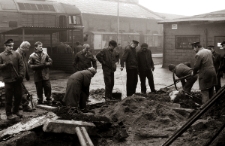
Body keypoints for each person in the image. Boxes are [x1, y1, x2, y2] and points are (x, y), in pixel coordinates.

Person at [0, 39, 24, 120]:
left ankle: (16, 111)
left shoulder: (16, 54)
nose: (11, 47)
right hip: (8, 80)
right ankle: (8, 114)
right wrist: (5, 64)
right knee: (8, 97)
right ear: (5, 46)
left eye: (12, 46)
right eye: (9, 46)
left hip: (17, 79)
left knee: (18, 96)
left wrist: (21, 75)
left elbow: (21, 65)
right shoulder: (1, 55)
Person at [16, 41, 33, 112]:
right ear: (24, 48)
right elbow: (16, 67)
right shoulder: (17, 54)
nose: (28, 50)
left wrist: (27, 74)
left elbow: (25, 65)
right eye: (28, 48)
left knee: (20, 91)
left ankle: (19, 105)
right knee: (23, 91)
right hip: (18, 77)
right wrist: (19, 76)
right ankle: (25, 105)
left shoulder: (23, 54)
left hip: (22, 76)